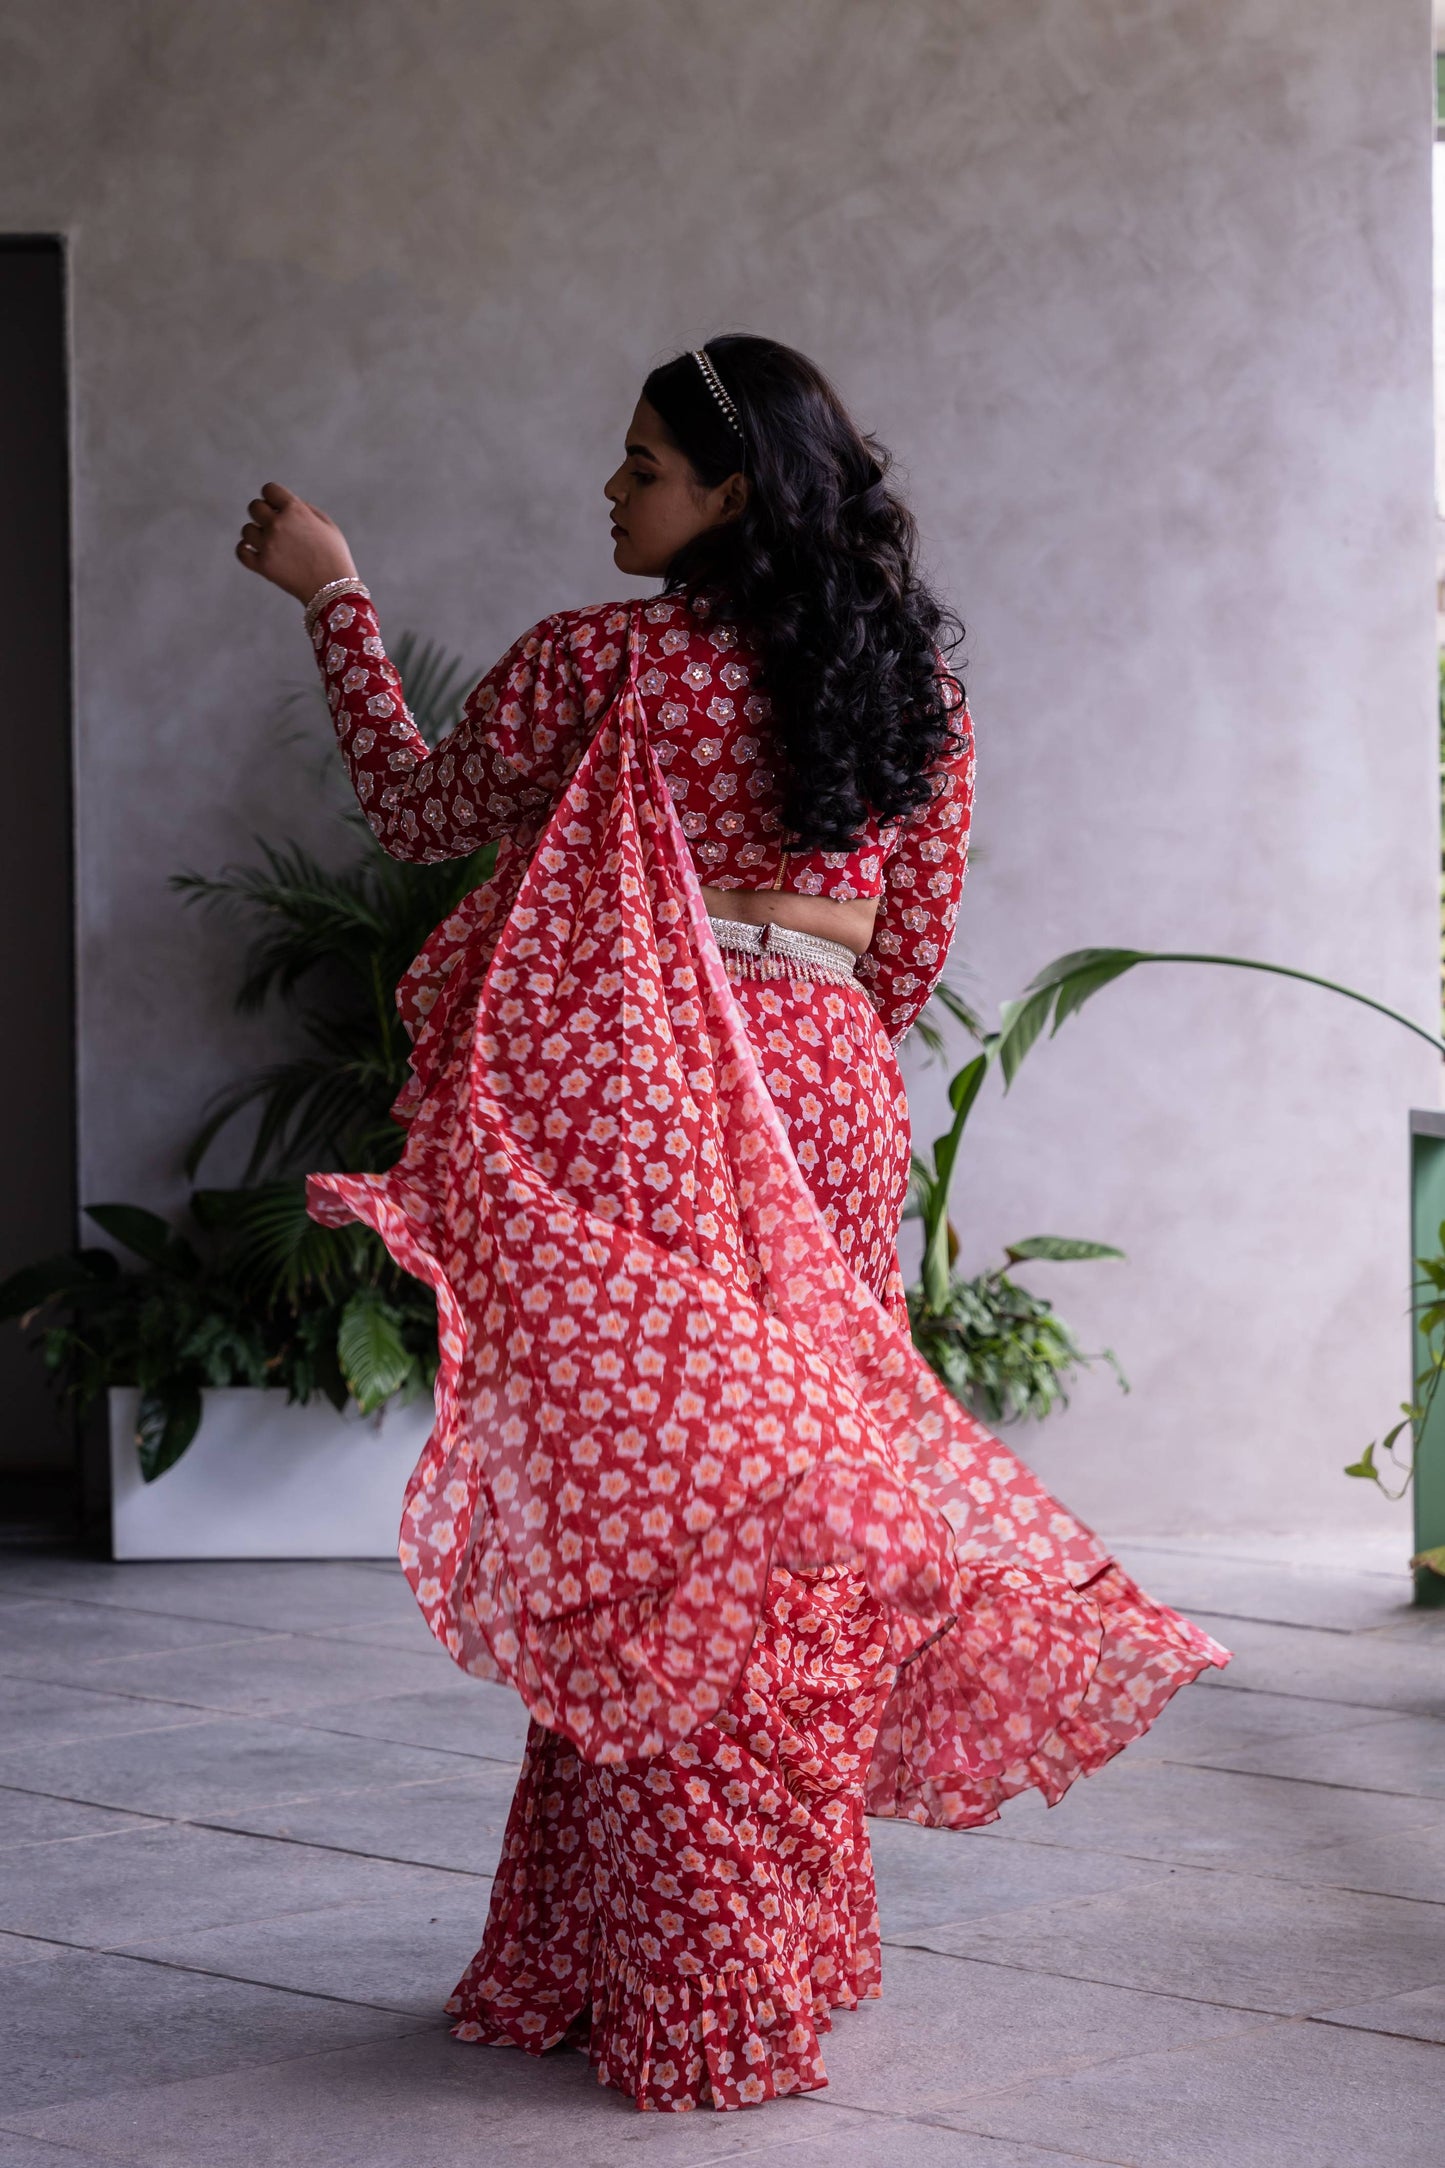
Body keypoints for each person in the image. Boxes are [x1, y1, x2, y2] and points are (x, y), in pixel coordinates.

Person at [236, 335, 1227, 2116]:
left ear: (733, 492)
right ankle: (702, 1945)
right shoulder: (911, 687)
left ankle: (699, 1988)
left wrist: (338, 596)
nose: (607, 492)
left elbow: (413, 808)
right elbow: (909, 955)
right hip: (827, 1093)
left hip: (656, 1093)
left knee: (651, 1533)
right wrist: (799, 1023)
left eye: (640, 466)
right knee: (771, 1537)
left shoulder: (603, 668)